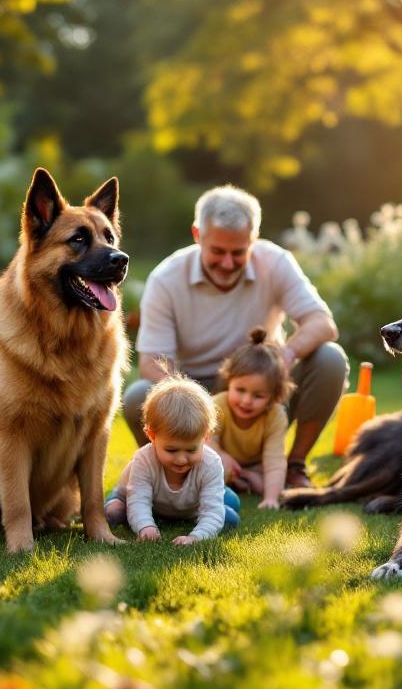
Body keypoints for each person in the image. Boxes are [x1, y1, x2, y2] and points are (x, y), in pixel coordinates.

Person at [124, 185, 347, 488]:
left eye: (239, 252)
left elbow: (322, 323)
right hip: (198, 388)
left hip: (263, 385)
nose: (227, 263)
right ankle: (192, 469)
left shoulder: (276, 261)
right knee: (138, 396)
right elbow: (153, 362)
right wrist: (202, 425)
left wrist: (285, 354)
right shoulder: (166, 278)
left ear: (253, 239)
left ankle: (294, 466)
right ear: (197, 234)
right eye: (218, 251)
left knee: (330, 358)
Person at [105, 375, 241, 544]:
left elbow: (212, 512)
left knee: (230, 515)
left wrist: (196, 537)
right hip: (143, 499)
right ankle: (120, 502)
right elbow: (138, 500)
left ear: (206, 438)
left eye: (191, 450)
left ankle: (209, 500)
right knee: (114, 512)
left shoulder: (211, 462)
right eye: (171, 450)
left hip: (188, 505)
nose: (181, 459)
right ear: (151, 436)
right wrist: (146, 527)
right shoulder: (144, 460)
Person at [210, 328, 292, 509]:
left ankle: (243, 477)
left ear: (272, 396)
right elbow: (205, 441)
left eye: (258, 396)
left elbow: (274, 460)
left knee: (270, 485)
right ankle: (236, 481)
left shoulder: (275, 415)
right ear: (229, 381)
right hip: (220, 459)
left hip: (256, 466)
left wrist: (271, 499)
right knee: (210, 465)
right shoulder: (217, 405)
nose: (246, 401)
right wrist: (221, 455)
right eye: (240, 390)